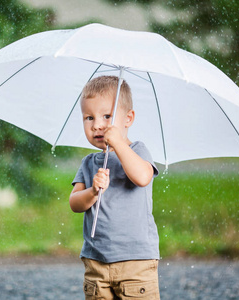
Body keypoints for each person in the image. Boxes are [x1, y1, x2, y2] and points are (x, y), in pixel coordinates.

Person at [69, 76, 160, 299]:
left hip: (136, 262)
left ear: (128, 118)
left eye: (107, 116)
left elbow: (142, 177)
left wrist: (118, 143)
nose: (97, 124)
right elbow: (74, 203)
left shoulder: (138, 151)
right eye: (89, 117)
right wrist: (92, 192)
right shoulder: (89, 163)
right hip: (96, 262)